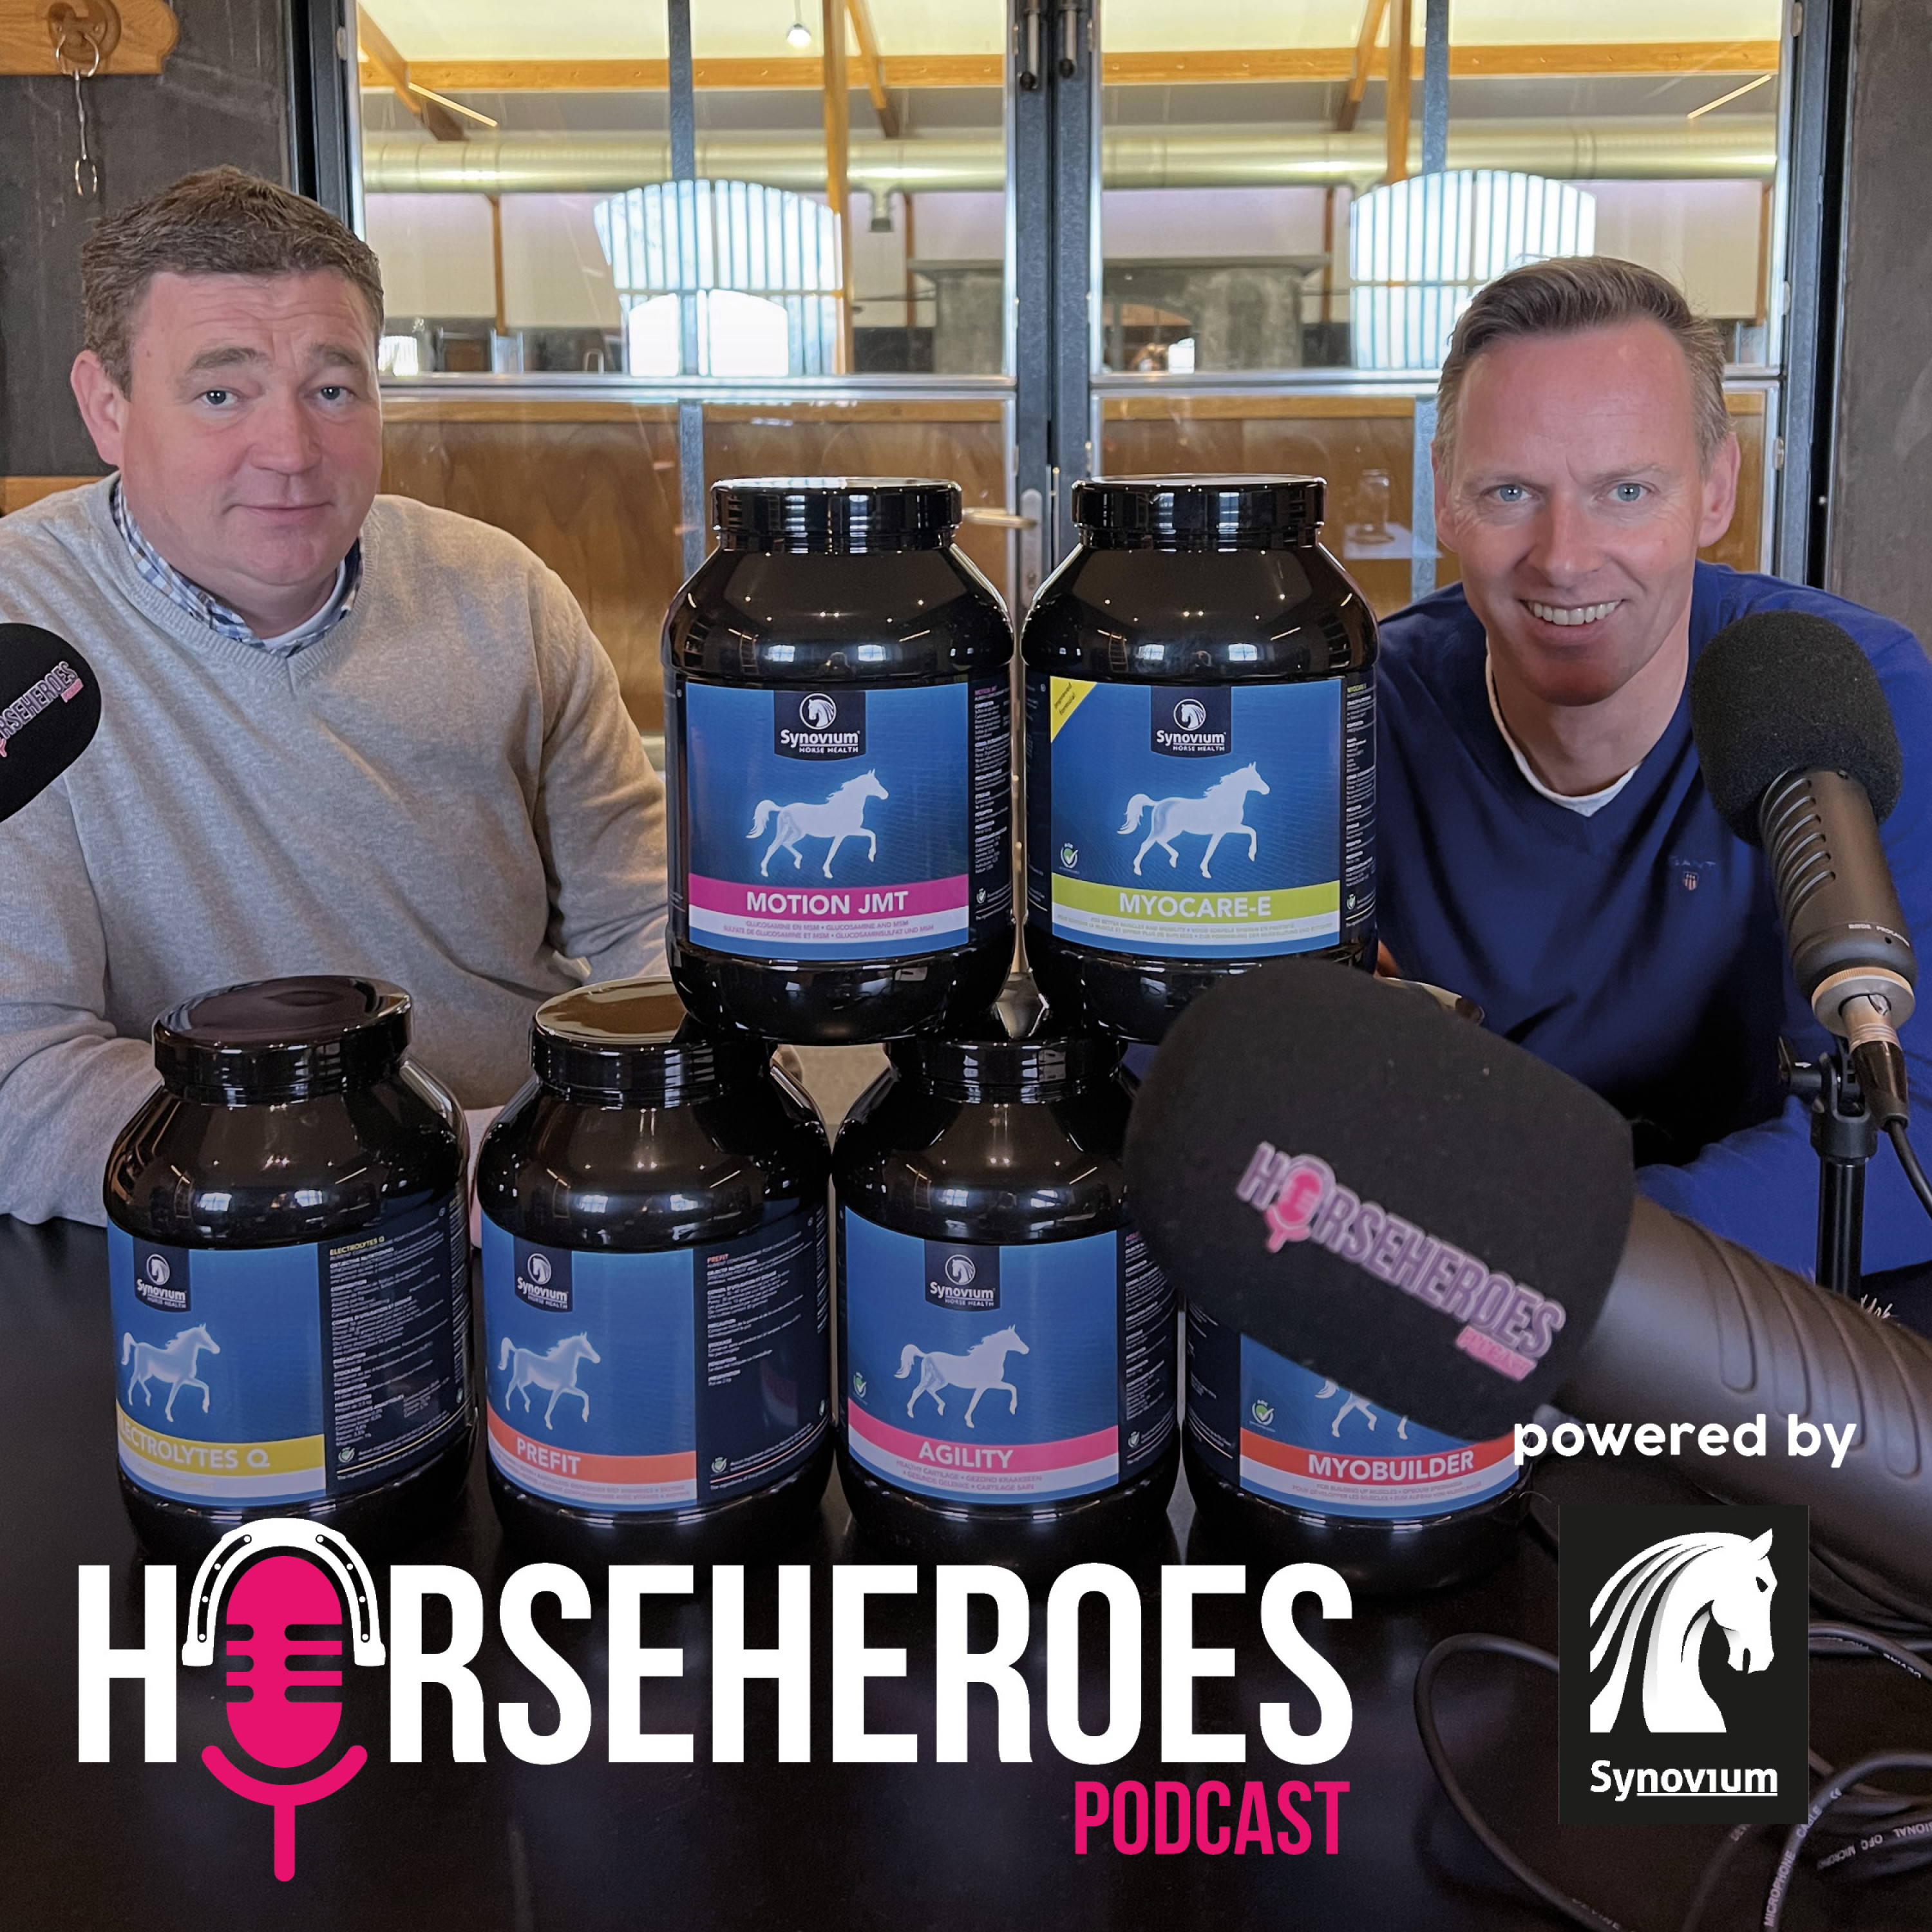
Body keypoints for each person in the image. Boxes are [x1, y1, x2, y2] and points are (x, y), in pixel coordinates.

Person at [0, 167, 667, 1226]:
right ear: (107, 407)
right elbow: (22, 1074)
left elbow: (647, 920)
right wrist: (415, 1174)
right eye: (221, 395)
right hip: (218, 1245)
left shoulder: (502, 595)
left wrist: (656, 1114)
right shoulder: (19, 641)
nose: (291, 453)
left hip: (539, 1201)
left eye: (332, 390)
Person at [1376, 255, 1932, 1289]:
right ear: (1446, 498)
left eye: (1626, 491)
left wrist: (1571, 1261)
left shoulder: (1848, 691)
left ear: (1716, 490)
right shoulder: (1361, 714)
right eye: (1511, 492)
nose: (1566, 557)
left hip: (1736, 1306)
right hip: (1450, 1302)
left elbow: (1915, 1123)